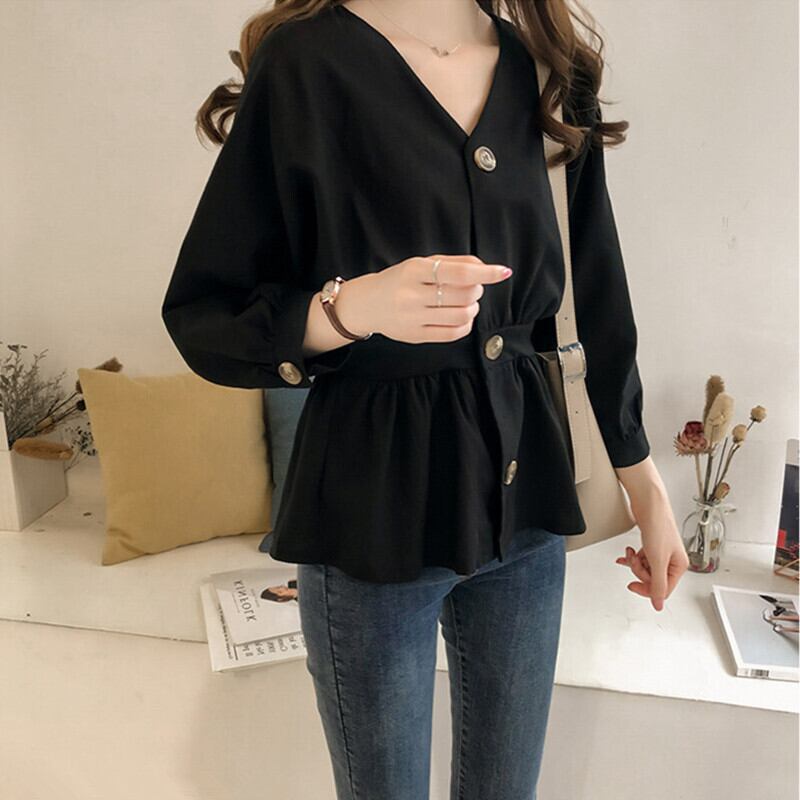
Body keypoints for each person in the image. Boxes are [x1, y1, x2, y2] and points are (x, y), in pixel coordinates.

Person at [161, 1, 690, 797]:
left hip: (527, 502)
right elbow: (205, 312)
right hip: (371, 511)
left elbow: (597, 289)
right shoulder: (306, 64)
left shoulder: (548, 69)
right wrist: (350, 309)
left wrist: (645, 484)